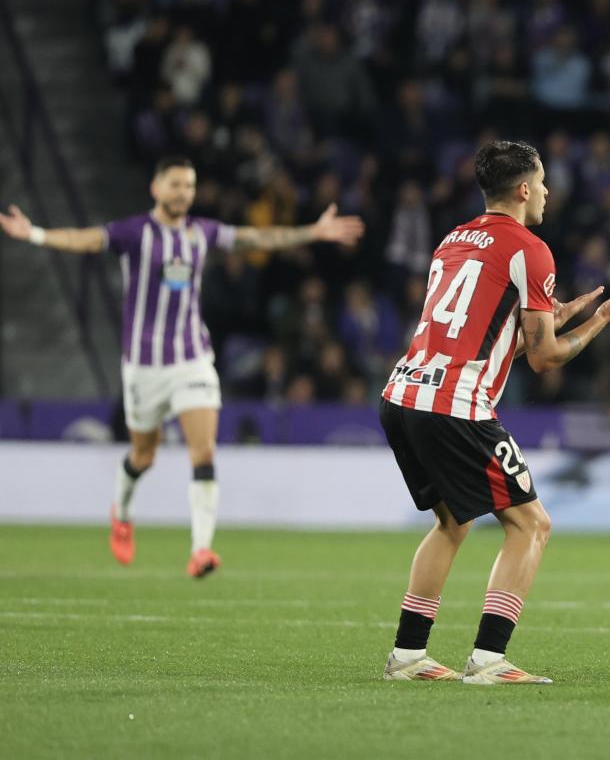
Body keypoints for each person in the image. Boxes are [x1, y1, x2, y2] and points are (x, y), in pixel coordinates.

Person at [0, 156, 364, 577]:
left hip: (192, 359)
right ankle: (122, 510)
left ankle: (201, 549)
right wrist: (36, 234)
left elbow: (253, 238)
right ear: (156, 188)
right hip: (144, 367)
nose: (182, 193)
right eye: (175, 184)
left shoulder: (201, 232)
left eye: (189, 186)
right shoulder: (134, 233)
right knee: (143, 455)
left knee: (203, 451)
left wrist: (311, 232)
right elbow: (85, 240)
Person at [379, 140, 610, 685]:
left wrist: (555, 316)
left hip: (403, 393)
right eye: (543, 183)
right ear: (524, 190)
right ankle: (489, 659)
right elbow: (546, 357)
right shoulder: (531, 248)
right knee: (531, 524)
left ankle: (408, 656)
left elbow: (491, 337)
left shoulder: (454, 238)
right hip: (456, 403)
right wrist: (596, 323)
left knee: (451, 522)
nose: (548, 193)